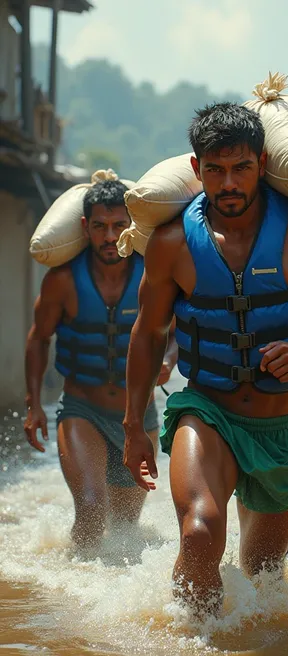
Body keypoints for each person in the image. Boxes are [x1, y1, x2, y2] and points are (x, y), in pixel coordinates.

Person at [123, 102, 288, 614]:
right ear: (197, 170)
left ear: (261, 163)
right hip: (206, 412)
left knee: (264, 579)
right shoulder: (172, 245)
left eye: (240, 169)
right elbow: (147, 333)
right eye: (215, 170)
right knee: (198, 534)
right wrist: (131, 426)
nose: (228, 183)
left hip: (280, 427)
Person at [24, 179, 177, 554]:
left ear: (132, 227)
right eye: (99, 227)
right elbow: (38, 337)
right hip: (82, 410)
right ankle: (73, 594)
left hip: (139, 417)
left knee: (126, 527)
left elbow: (177, 331)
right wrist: (32, 404)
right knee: (92, 511)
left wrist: (169, 360)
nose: (110, 236)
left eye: (119, 226)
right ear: (84, 228)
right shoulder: (62, 281)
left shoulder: (152, 274)